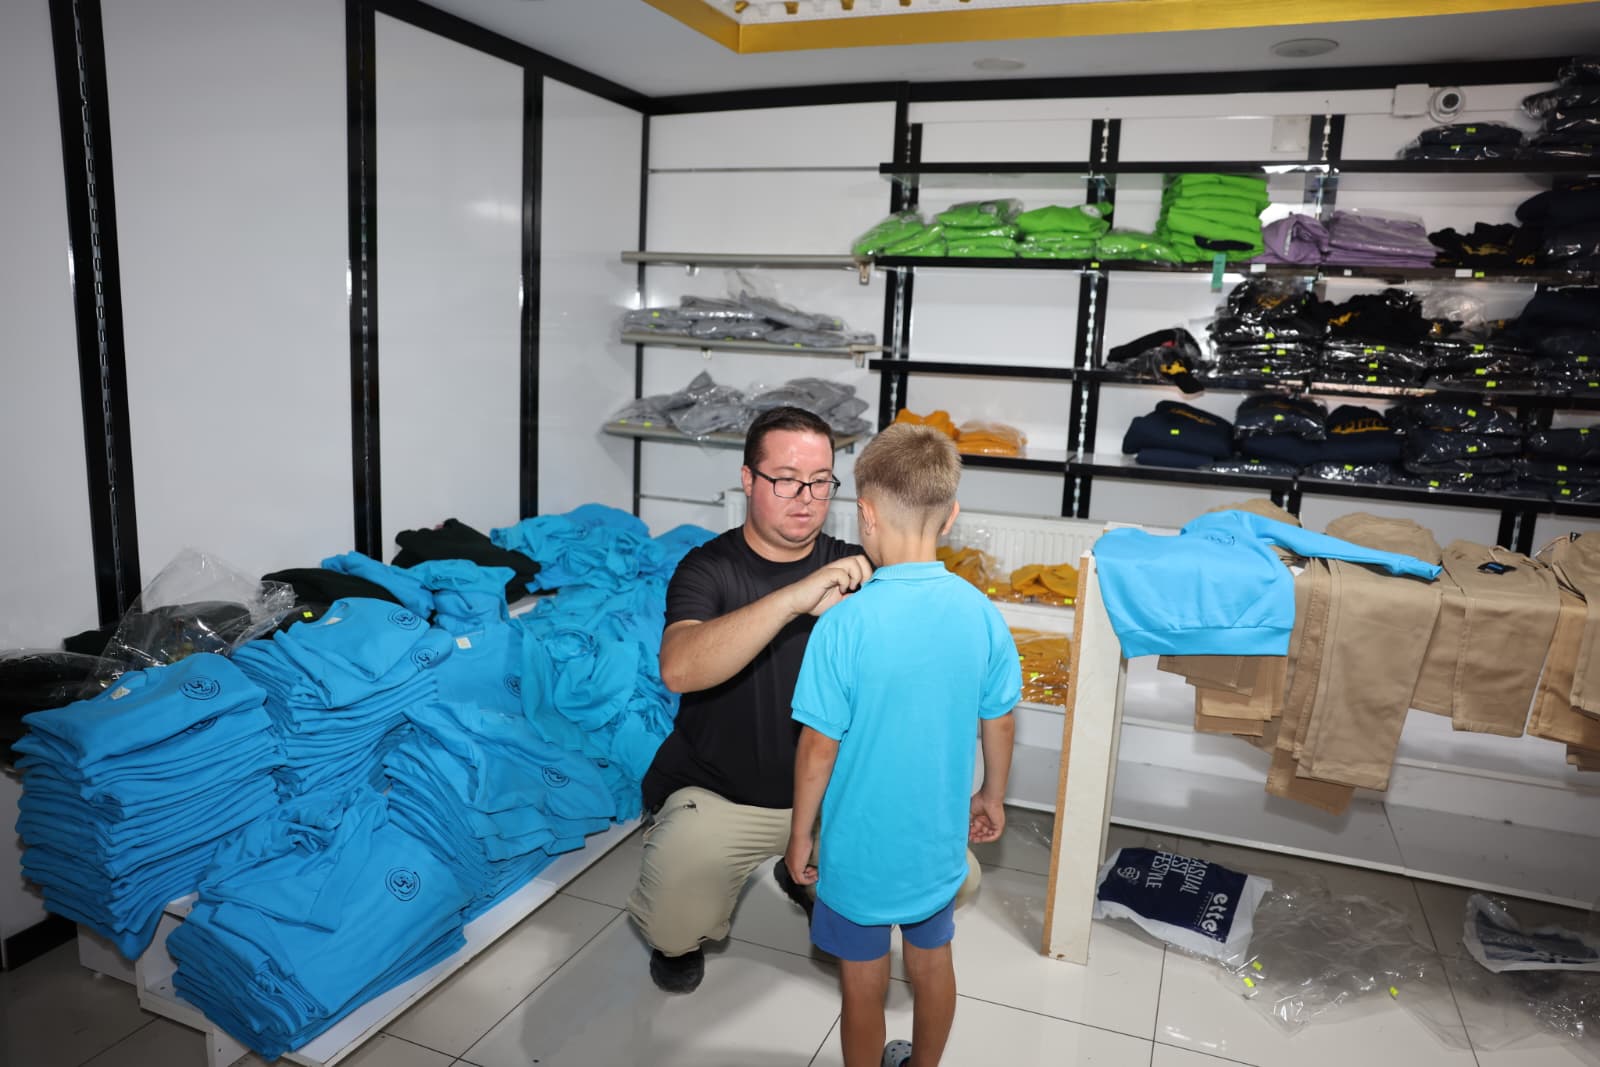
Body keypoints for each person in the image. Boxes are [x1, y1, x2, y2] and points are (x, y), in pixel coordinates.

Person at [627, 406, 981, 995]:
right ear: (748, 479)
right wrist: (795, 598)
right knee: (673, 924)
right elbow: (679, 669)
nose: (807, 497)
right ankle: (689, 930)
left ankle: (807, 877)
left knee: (959, 878)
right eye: (787, 479)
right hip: (723, 795)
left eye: (821, 481)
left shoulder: (864, 567)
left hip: (837, 800)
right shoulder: (708, 567)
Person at [784, 424, 1020, 1067]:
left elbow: (817, 748)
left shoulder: (843, 623)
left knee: (862, 984)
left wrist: (802, 833)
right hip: (935, 843)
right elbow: (999, 719)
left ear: (865, 514)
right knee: (932, 964)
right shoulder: (981, 613)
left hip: (857, 851)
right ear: (951, 515)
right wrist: (992, 794)